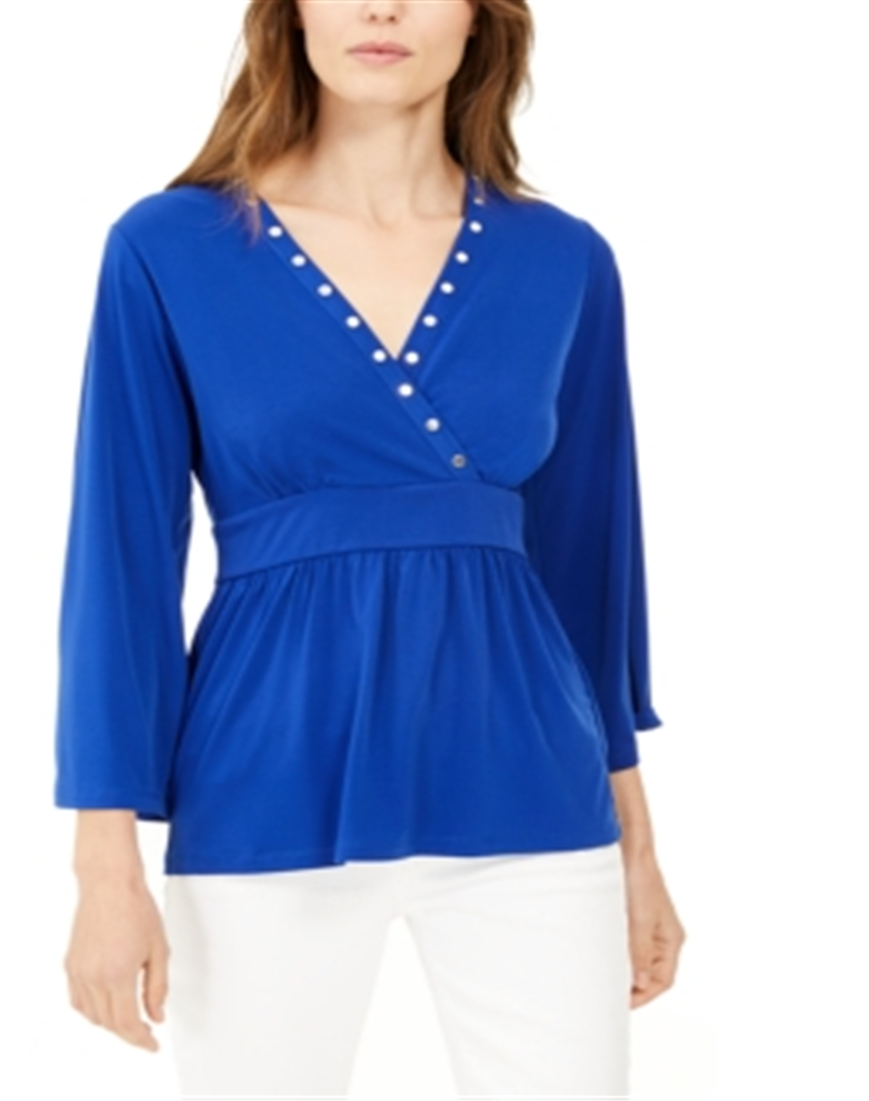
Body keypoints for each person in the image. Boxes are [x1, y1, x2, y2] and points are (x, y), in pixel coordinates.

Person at [55, 0, 687, 1096]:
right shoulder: (169, 248)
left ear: (481, 19)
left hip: (532, 789)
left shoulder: (565, 261)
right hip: (263, 784)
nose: (382, 7)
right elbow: (119, 566)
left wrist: (638, 846)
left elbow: (591, 576)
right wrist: (102, 865)